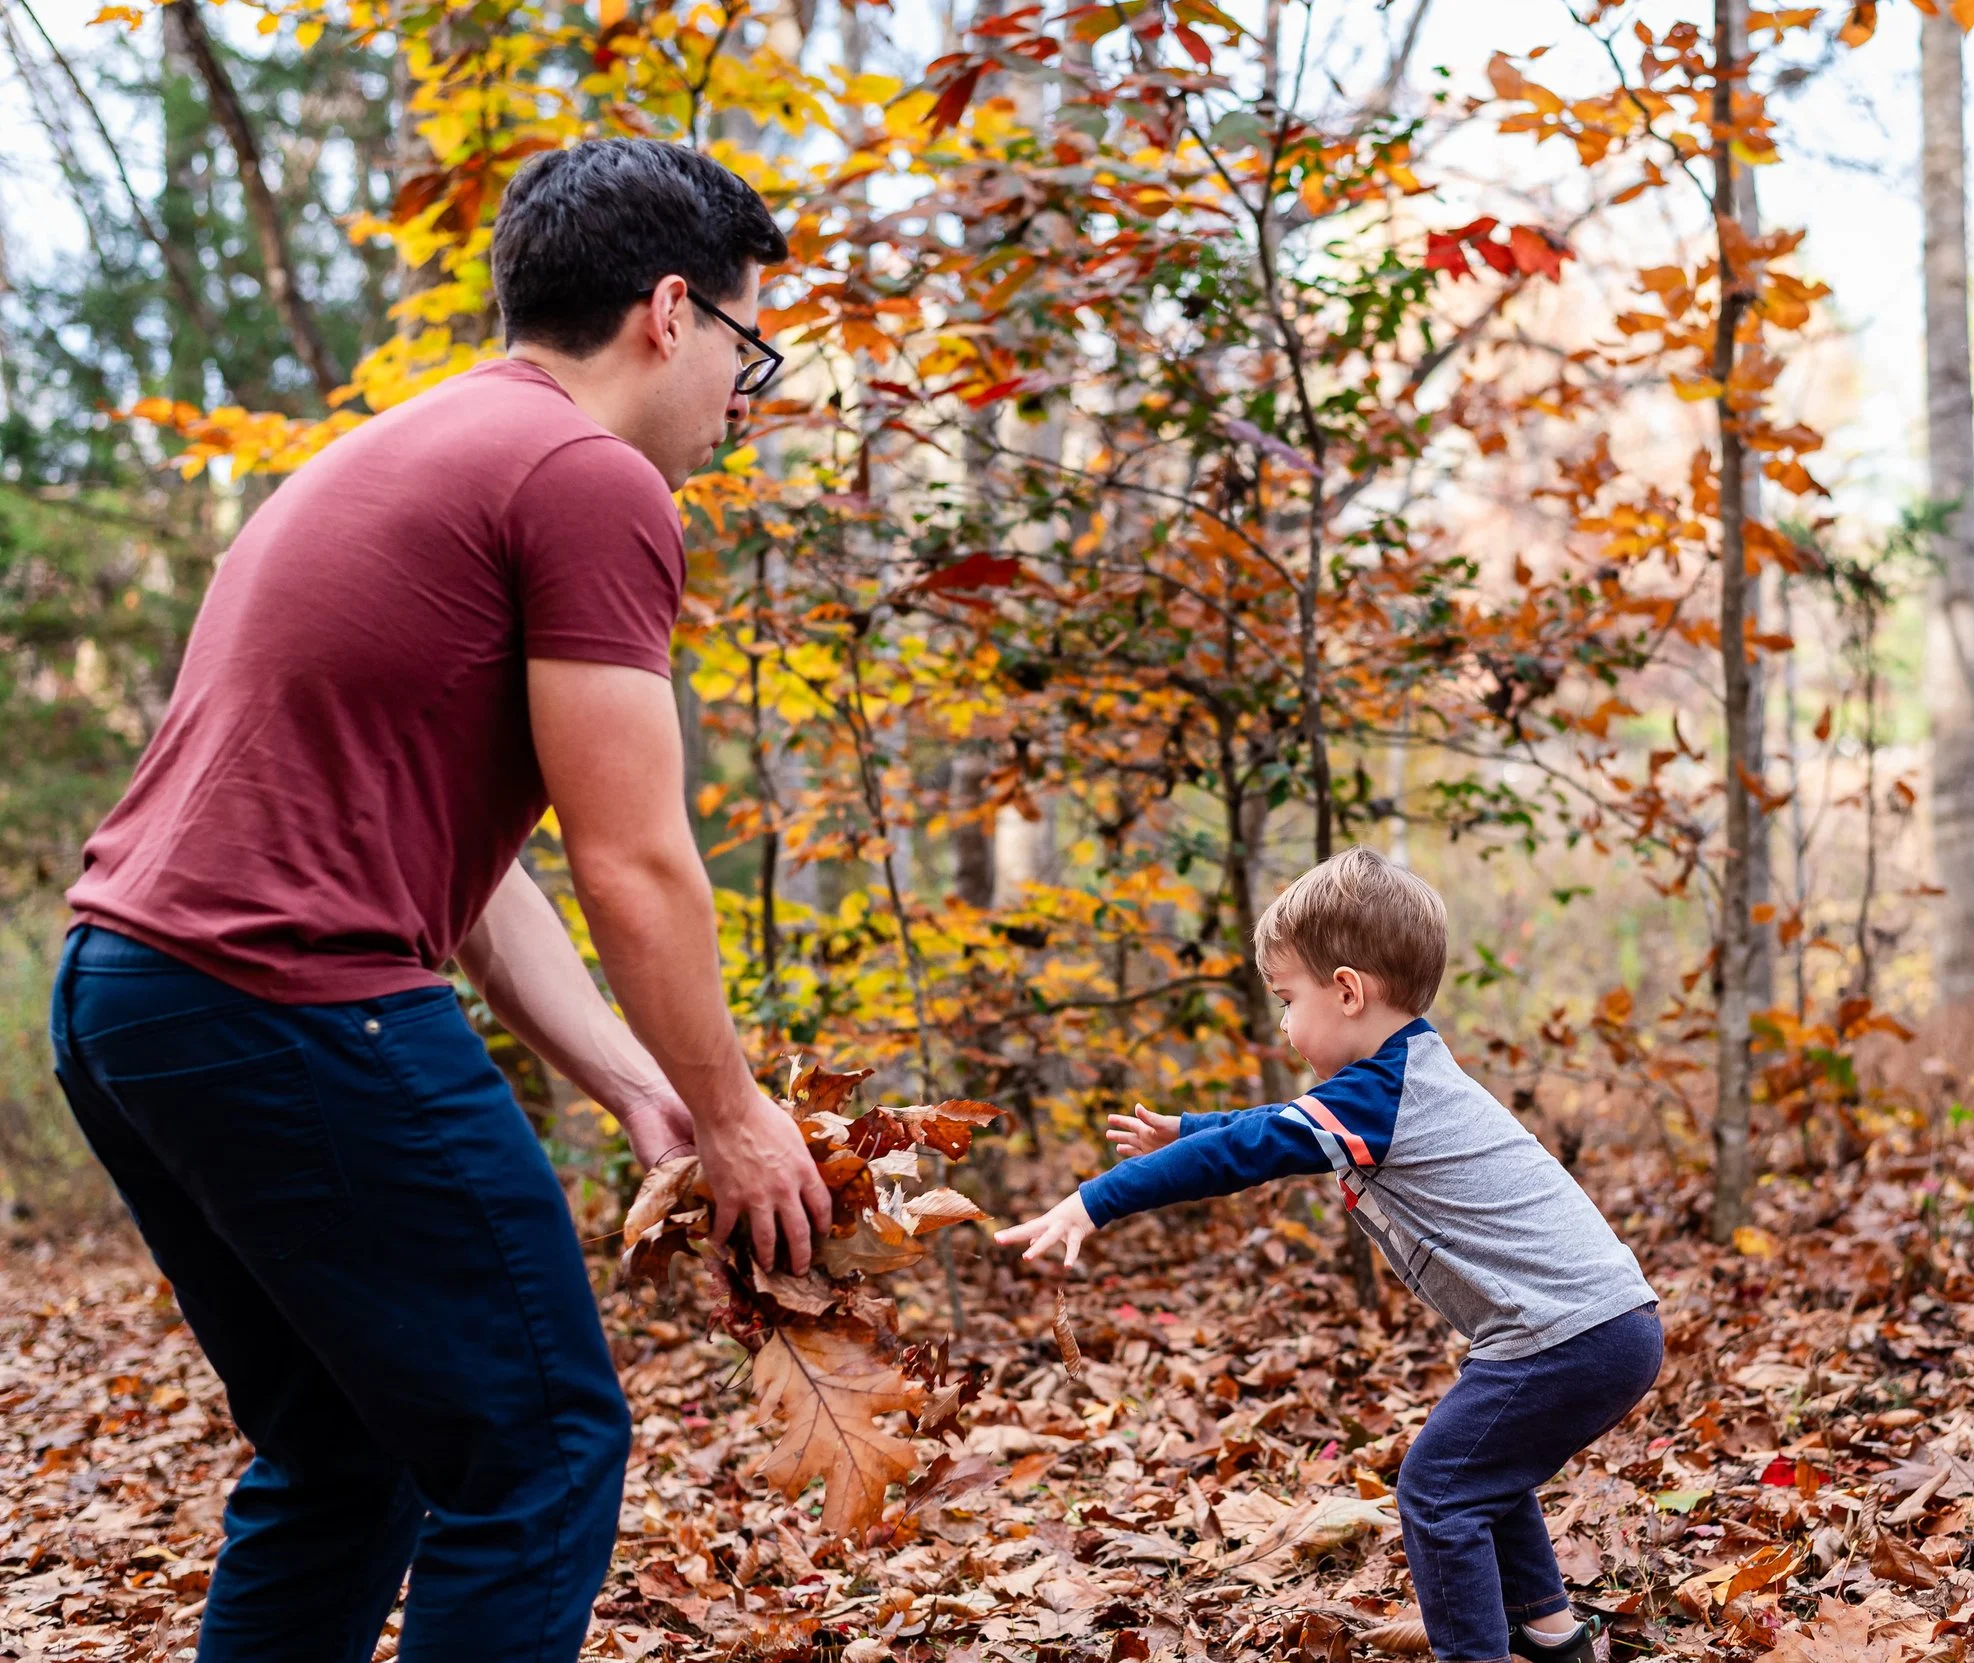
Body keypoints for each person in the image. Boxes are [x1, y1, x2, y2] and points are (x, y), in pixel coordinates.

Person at [46, 138, 833, 1663]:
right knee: (538, 1449)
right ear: (673, 312)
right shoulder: (589, 479)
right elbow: (637, 857)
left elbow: (473, 885)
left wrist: (636, 1082)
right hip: (287, 999)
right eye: (754, 344)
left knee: (346, 1457)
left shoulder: (410, 448)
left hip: (132, 997)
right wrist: (736, 1111)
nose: (751, 394)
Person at [996, 848, 1663, 1663]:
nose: (1282, 1022)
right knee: (1485, 1469)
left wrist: (1095, 1198)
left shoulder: (1384, 1094)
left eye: (1287, 998)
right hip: (1600, 1324)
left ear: (1347, 991)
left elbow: (1258, 1147)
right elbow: (1267, 1124)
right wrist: (1186, 1127)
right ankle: (1556, 1639)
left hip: (1567, 1334)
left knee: (1438, 1491)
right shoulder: (1397, 1078)